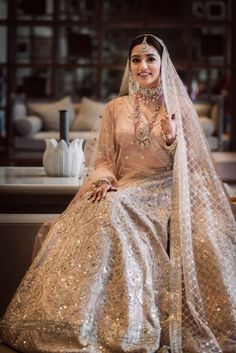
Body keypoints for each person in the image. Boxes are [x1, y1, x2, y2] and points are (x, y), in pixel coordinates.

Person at [0, 34, 236, 353]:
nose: (143, 65)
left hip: (167, 188)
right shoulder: (115, 108)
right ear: (129, 65)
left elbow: (194, 164)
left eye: (150, 58)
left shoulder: (179, 107)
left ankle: (130, 321)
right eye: (136, 59)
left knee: (116, 209)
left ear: (163, 64)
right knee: (100, 208)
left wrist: (172, 138)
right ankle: (83, 319)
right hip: (127, 186)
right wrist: (103, 178)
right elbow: (103, 159)